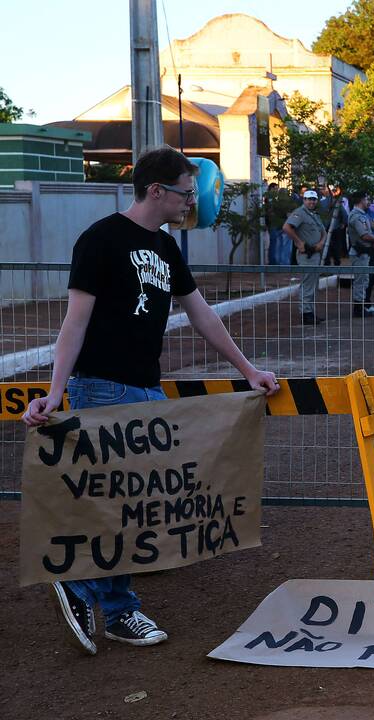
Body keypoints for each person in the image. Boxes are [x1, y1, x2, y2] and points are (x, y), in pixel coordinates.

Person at [21, 146, 280, 655]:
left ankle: (94, 595)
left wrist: (247, 370)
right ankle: (106, 602)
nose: (191, 203)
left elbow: (201, 314)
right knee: (121, 502)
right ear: (156, 190)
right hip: (102, 386)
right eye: (186, 193)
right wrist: (56, 391)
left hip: (146, 386)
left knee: (138, 504)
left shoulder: (164, 248)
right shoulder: (100, 240)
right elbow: (75, 322)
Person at [283, 189, 327, 325]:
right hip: (306, 253)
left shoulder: (314, 215)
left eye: (314, 199)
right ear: (304, 200)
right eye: (309, 199)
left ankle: (311, 312)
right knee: (307, 283)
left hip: (315, 252)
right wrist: (298, 242)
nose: (311, 202)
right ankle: (306, 313)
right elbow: (287, 227)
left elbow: (323, 231)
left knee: (313, 284)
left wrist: (320, 243)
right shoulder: (300, 213)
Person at [347, 191, 374, 317]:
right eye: (366, 199)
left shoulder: (362, 215)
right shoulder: (356, 216)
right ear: (361, 200)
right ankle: (358, 309)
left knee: (364, 280)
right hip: (359, 252)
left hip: (365, 252)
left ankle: (362, 306)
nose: (368, 202)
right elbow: (364, 235)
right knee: (360, 281)